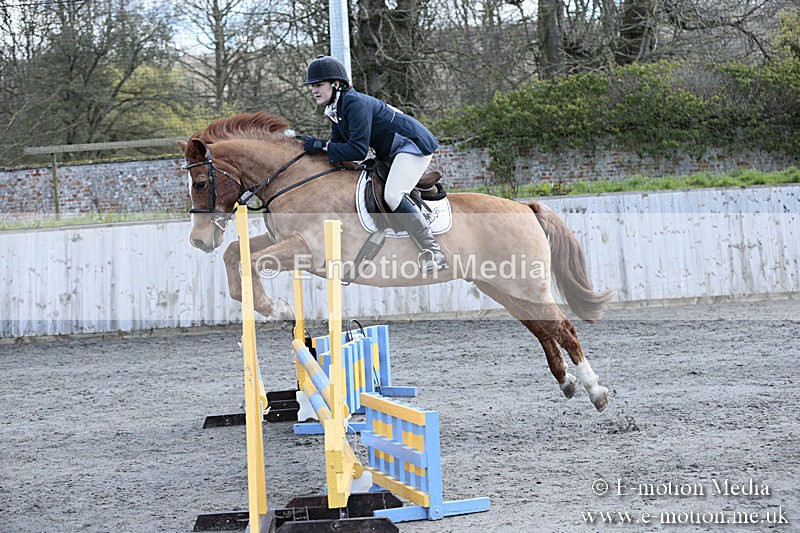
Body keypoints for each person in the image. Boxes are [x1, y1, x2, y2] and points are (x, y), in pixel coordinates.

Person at [300, 54, 448, 274]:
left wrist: (321, 146)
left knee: (392, 195)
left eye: (318, 85)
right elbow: (338, 149)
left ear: (336, 84)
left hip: (412, 145)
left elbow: (357, 150)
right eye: (312, 86)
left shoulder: (354, 103)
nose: (313, 90)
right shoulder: (336, 110)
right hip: (390, 152)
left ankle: (433, 251)